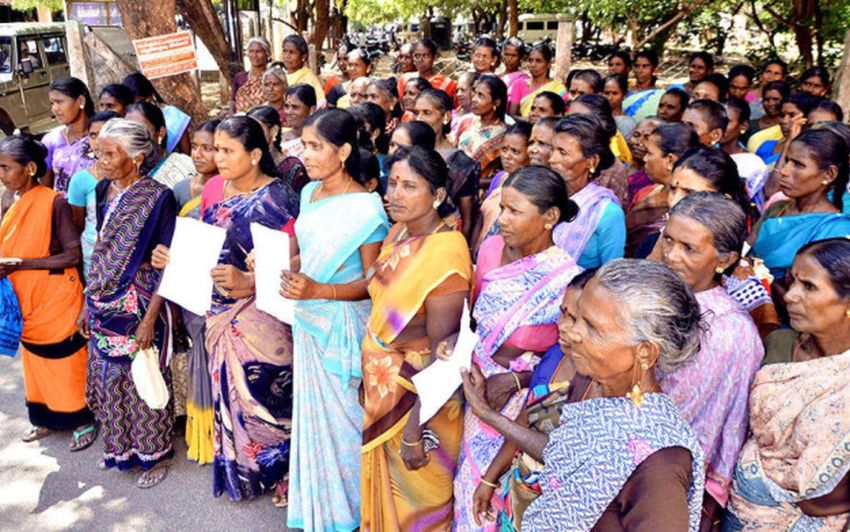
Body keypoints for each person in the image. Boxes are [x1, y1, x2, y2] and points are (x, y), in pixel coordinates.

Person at [464, 258, 706, 531]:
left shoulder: (660, 460)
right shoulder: (601, 397)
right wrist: (486, 415)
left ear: (645, 353)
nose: (573, 333)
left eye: (591, 326)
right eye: (577, 317)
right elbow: (564, 452)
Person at [155, 116, 299, 500]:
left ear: (254, 155)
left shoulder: (279, 198)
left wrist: (251, 282)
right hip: (217, 310)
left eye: (227, 150)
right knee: (231, 394)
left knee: (268, 394)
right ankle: (245, 472)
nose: (217, 157)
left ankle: (283, 474)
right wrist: (171, 257)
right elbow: (207, 244)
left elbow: (294, 262)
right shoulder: (215, 188)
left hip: (262, 315)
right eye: (215, 149)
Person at [453, 165, 583, 530]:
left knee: (496, 497)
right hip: (474, 385)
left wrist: (514, 382)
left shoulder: (565, 279)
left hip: (518, 403)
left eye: (514, 211)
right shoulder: (491, 249)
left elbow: (565, 365)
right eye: (501, 207)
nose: (502, 219)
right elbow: (474, 322)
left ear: (549, 217)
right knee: (465, 484)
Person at [282, 108, 389, 531]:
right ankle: (320, 512)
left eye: (315, 146)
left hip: (343, 326)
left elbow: (372, 283)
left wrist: (319, 290)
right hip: (308, 321)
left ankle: (351, 515)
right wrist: (280, 264)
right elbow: (305, 256)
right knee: (313, 420)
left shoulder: (367, 209)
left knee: (344, 426)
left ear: (343, 151)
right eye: (303, 145)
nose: (305, 155)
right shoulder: (309, 193)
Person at [360, 146, 473, 530]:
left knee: (417, 508)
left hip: (420, 406)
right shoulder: (398, 232)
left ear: (438, 195)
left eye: (410, 186)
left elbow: (445, 356)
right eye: (393, 184)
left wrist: (414, 430)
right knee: (389, 498)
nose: (394, 195)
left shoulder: (446, 255)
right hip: (386, 391)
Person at [726, 238, 850, 530]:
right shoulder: (779, 345)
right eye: (792, 282)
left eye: (808, 287)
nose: (790, 296)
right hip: (740, 509)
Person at [657, 192, 764, 525]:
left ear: (723, 259)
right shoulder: (664, 292)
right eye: (668, 240)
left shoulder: (724, 330)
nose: (672, 256)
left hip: (664, 476)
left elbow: (677, 414)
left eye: (689, 248)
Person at [80, 118, 176, 488]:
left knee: (143, 378)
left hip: (137, 303)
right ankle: (120, 448)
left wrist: (150, 318)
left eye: (109, 153)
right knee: (109, 380)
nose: (100, 160)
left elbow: (168, 261)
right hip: (103, 302)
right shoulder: (104, 190)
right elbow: (102, 250)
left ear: (136, 158)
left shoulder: (157, 197)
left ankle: (155, 454)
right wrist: (87, 303)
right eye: (98, 152)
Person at [470, 268, 595, 530]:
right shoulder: (555, 356)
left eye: (574, 318)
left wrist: (486, 413)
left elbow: (557, 452)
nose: (561, 324)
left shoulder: (598, 381)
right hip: (521, 493)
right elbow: (527, 421)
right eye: (562, 312)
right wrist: (490, 478)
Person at [0, 135, 94, 451]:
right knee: (36, 362)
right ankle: (45, 418)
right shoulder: (9, 202)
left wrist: (21, 263)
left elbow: (72, 255)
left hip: (55, 296)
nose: (1, 174)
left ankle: (82, 419)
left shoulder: (54, 201)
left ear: (29, 168)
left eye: (5, 168)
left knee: (63, 359)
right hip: (23, 295)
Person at [168, 119, 219, 465]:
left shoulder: (227, 189)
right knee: (198, 356)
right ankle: (202, 433)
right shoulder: (180, 191)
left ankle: (223, 433)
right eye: (196, 147)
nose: (199, 154)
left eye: (210, 148)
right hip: (190, 288)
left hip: (221, 287)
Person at [749, 128, 850, 283]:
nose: (784, 171)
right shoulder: (777, 209)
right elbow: (746, 253)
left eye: (798, 164)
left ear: (829, 174)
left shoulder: (836, 230)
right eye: (787, 160)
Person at [549, 114, 626, 269]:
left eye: (563, 152)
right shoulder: (546, 197)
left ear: (592, 162)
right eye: (553, 150)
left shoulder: (607, 213)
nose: (552, 159)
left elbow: (611, 274)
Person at [413, 88, 481, 242]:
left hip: (442, 239)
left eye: (427, 113)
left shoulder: (461, 164)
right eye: (417, 113)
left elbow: (467, 219)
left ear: (446, 117)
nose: (419, 118)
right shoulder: (409, 153)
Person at [626, 122, 700, 257]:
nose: (644, 158)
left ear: (670, 160)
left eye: (649, 153)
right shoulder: (647, 191)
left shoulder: (687, 210)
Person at [67, 111, 119, 277]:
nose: (97, 142)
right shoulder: (80, 180)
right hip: (94, 260)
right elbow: (78, 224)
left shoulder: (132, 176)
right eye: (93, 135)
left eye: (104, 134)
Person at [475, 121, 532, 251]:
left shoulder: (529, 188)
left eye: (515, 152)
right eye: (504, 149)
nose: (507, 156)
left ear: (529, 153)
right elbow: (482, 217)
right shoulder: (500, 177)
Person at [567, 94, 632, 203]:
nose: (570, 125)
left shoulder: (612, 171)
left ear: (600, 123)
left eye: (579, 119)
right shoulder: (562, 153)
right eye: (569, 118)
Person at [42, 77, 96, 195]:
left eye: (59, 102)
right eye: (52, 103)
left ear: (81, 101)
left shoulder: (99, 136)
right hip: (65, 211)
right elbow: (46, 189)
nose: (54, 109)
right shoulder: (51, 141)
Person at [126, 102, 195, 189]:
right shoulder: (124, 169)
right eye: (126, 131)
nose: (132, 136)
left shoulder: (184, 167)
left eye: (140, 130)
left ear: (161, 133)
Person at [455, 74, 508, 183]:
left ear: (496, 102)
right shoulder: (466, 121)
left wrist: (472, 184)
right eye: (474, 93)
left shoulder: (504, 133)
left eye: (481, 96)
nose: (474, 99)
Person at [123, 72, 192, 155]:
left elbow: (186, 156)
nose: (138, 107)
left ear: (152, 96)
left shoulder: (174, 116)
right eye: (132, 104)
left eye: (142, 101)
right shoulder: (124, 118)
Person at [247, 105, 309, 193]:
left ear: (274, 131)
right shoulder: (247, 164)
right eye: (248, 130)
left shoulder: (292, 169)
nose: (251, 135)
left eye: (257, 129)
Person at [722, 98, 769, 210]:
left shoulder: (752, 164)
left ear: (743, 126)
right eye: (718, 120)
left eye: (727, 122)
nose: (720, 126)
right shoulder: (705, 154)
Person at [754, 91, 820, 169]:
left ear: (806, 118)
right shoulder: (767, 146)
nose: (784, 121)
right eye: (782, 115)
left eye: (792, 115)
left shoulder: (811, 152)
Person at [516, 44, 566, 118]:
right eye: (530, 60)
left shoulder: (559, 89)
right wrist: (529, 121)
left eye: (538, 61)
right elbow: (512, 115)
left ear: (548, 64)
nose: (533, 65)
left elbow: (562, 116)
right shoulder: (519, 84)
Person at [625, 116, 664, 199]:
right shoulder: (622, 167)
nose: (639, 142)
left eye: (647, 138)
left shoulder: (656, 179)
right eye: (636, 135)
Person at [230, 36, 271, 114]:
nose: (254, 55)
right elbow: (233, 101)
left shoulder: (272, 77)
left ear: (267, 53)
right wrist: (232, 118)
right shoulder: (240, 77)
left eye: (258, 51)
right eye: (251, 51)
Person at [745, 80, 790, 149]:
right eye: (766, 99)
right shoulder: (751, 126)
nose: (770, 104)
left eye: (775, 99)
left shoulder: (788, 127)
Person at [281, 34, 325, 106]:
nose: (287, 56)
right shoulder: (280, 74)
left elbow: (320, 104)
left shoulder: (308, 79)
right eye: (285, 51)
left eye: (292, 52)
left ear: (303, 56)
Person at [280, 84, 317, 161]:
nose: (288, 112)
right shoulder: (278, 138)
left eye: (295, 107)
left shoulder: (321, 139)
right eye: (286, 106)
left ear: (312, 109)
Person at [623, 49, 661, 120]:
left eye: (645, 66)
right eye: (636, 66)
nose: (640, 70)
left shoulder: (659, 95)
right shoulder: (624, 92)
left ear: (655, 69)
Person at [501, 37, 529, 117]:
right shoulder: (497, 77)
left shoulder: (524, 79)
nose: (509, 59)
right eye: (506, 54)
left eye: (514, 55)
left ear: (521, 57)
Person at [604, 74, 636, 139]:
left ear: (624, 95)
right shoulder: (595, 116)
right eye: (606, 93)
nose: (609, 98)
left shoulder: (627, 123)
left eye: (614, 93)